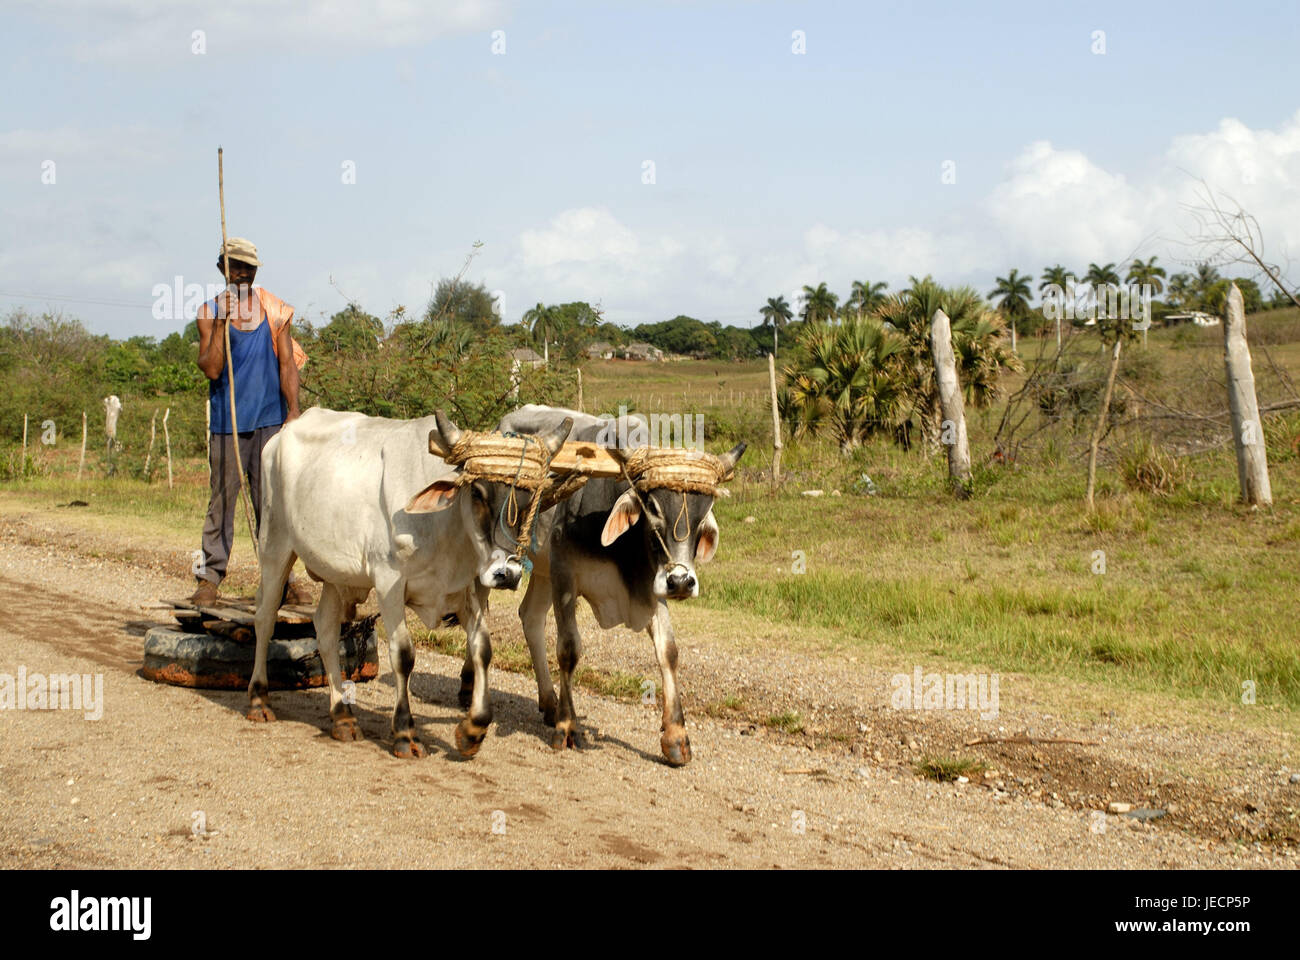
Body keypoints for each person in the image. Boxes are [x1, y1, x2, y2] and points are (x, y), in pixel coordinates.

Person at [191, 236, 311, 606]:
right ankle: (210, 578)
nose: (241, 273)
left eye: (248, 267)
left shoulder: (275, 310)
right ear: (222, 270)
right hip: (227, 424)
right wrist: (224, 323)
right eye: (235, 266)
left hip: (269, 423)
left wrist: (293, 412)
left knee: (272, 506)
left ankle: (282, 580)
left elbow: (287, 364)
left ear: (255, 271)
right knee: (221, 502)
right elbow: (212, 368)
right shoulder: (209, 312)